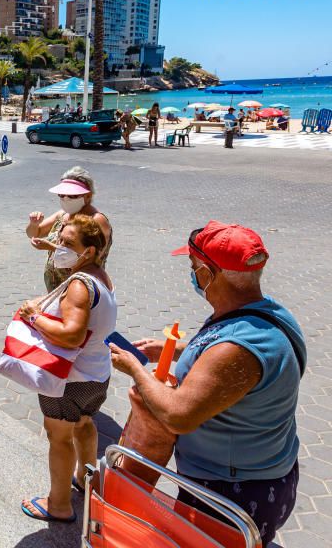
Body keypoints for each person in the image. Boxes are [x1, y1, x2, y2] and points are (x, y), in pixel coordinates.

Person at [110, 222, 304, 546]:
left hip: (231, 496)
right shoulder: (264, 313)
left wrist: (134, 368)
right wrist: (167, 350)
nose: (192, 277)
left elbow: (179, 415)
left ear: (208, 272)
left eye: (192, 268)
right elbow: (216, 347)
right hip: (261, 477)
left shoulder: (240, 348)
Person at [19, 215, 117, 523]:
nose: (60, 246)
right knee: (85, 425)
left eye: (69, 243)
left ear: (89, 251)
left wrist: (35, 317)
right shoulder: (100, 276)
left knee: (59, 436)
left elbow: (72, 334)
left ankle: (59, 504)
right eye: (60, 240)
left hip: (68, 379)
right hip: (96, 376)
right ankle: (85, 479)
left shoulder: (78, 284)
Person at [26, 167, 113, 292]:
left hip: (79, 288)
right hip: (57, 288)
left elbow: (92, 256)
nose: (66, 199)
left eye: (73, 196)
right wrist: (34, 224)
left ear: (88, 196)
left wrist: (51, 247)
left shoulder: (97, 220)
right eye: (62, 195)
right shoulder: (63, 214)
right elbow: (35, 233)